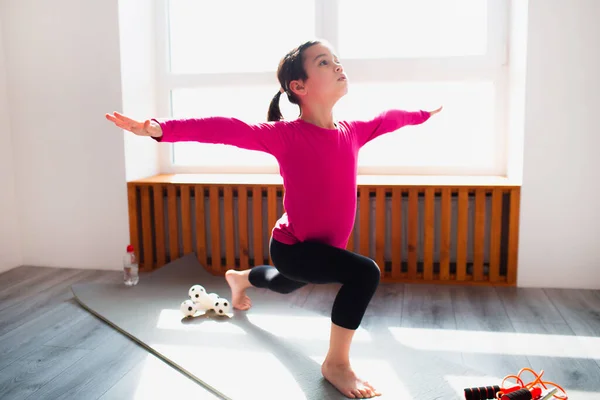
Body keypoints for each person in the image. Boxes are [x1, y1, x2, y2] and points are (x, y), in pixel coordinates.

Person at [106, 39, 442, 399]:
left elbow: (388, 119)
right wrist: (159, 128)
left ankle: (239, 279)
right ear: (298, 86)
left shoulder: (353, 132)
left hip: (319, 251)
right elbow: (223, 129)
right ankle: (337, 364)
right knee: (364, 272)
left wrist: (422, 114)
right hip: (292, 247)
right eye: (325, 62)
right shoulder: (286, 135)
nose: (338, 66)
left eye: (337, 60)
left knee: (284, 284)